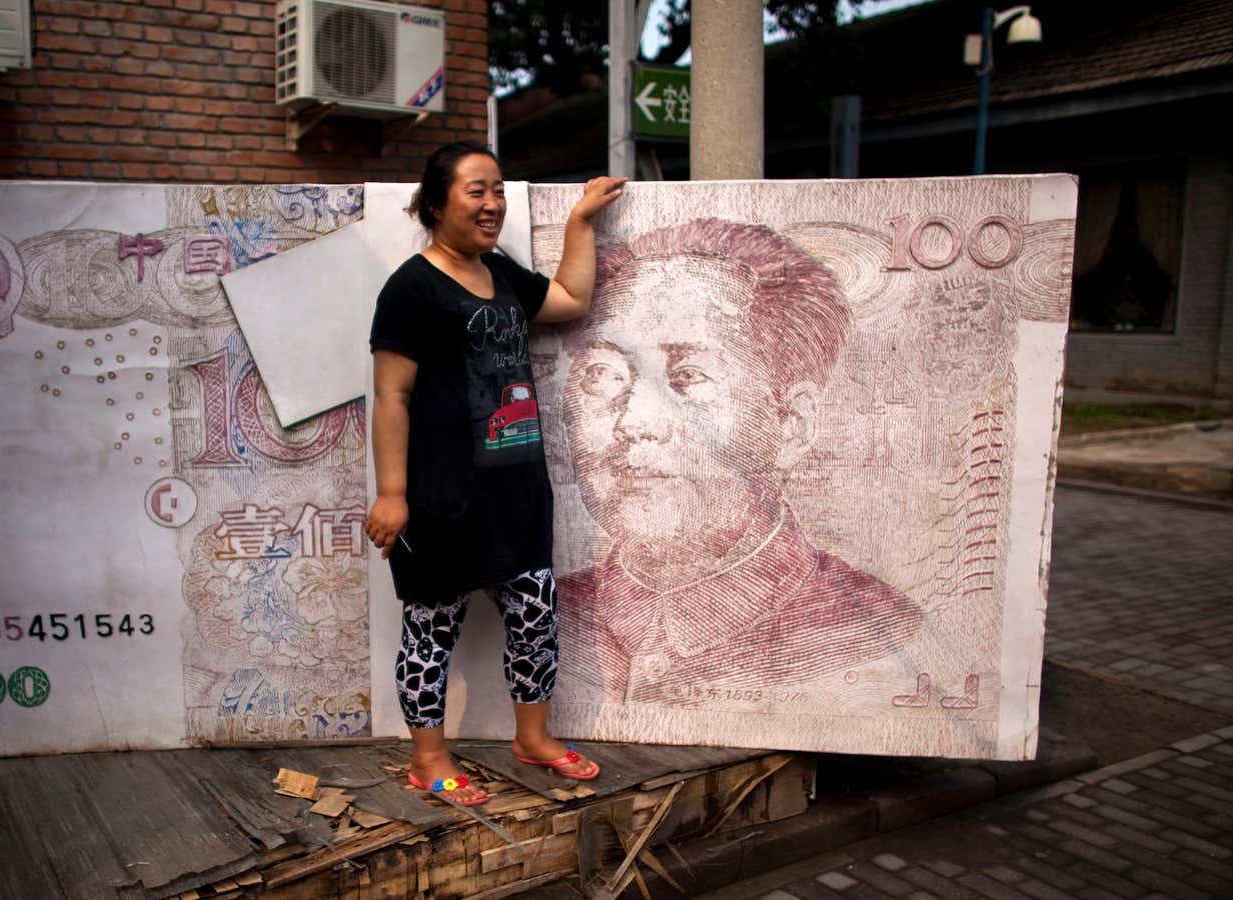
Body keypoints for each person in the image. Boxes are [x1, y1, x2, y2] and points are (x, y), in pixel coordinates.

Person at [555, 217, 923, 704]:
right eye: (603, 374)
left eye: (687, 377)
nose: (633, 423)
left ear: (792, 424)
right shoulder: (554, 616)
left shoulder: (875, 635)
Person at [366, 142, 624, 806]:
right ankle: (428, 759)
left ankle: (532, 739)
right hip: (441, 498)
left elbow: (568, 299)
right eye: (477, 191)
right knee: (430, 632)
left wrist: (579, 224)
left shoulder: (503, 274)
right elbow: (391, 396)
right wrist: (392, 495)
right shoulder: (411, 288)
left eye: (499, 191)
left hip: (516, 492)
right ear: (434, 204)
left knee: (534, 619)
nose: (492, 205)